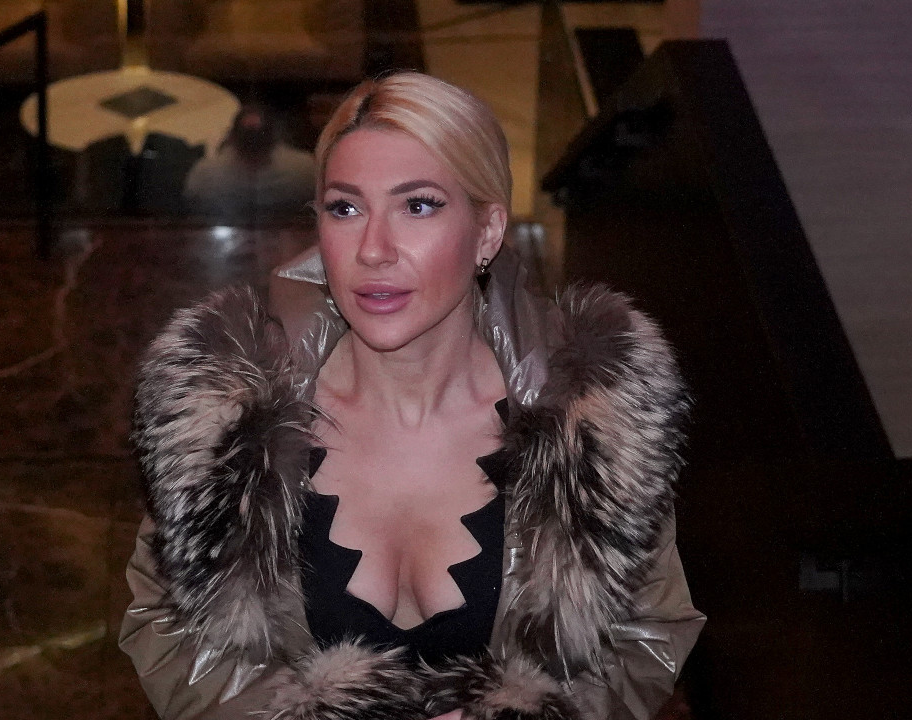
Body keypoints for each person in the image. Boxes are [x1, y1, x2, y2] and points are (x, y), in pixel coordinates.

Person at [122, 72, 705, 720]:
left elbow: (646, 635)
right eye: (345, 209)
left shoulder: (590, 421)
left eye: (418, 205)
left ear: (488, 231)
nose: (373, 250)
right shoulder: (227, 418)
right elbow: (168, 629)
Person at [182, 104, 316, 220]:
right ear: (274, 136)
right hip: (288, 238)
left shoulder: (204, 175)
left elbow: (193, 205)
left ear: (232, 137)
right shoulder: (306, 170)